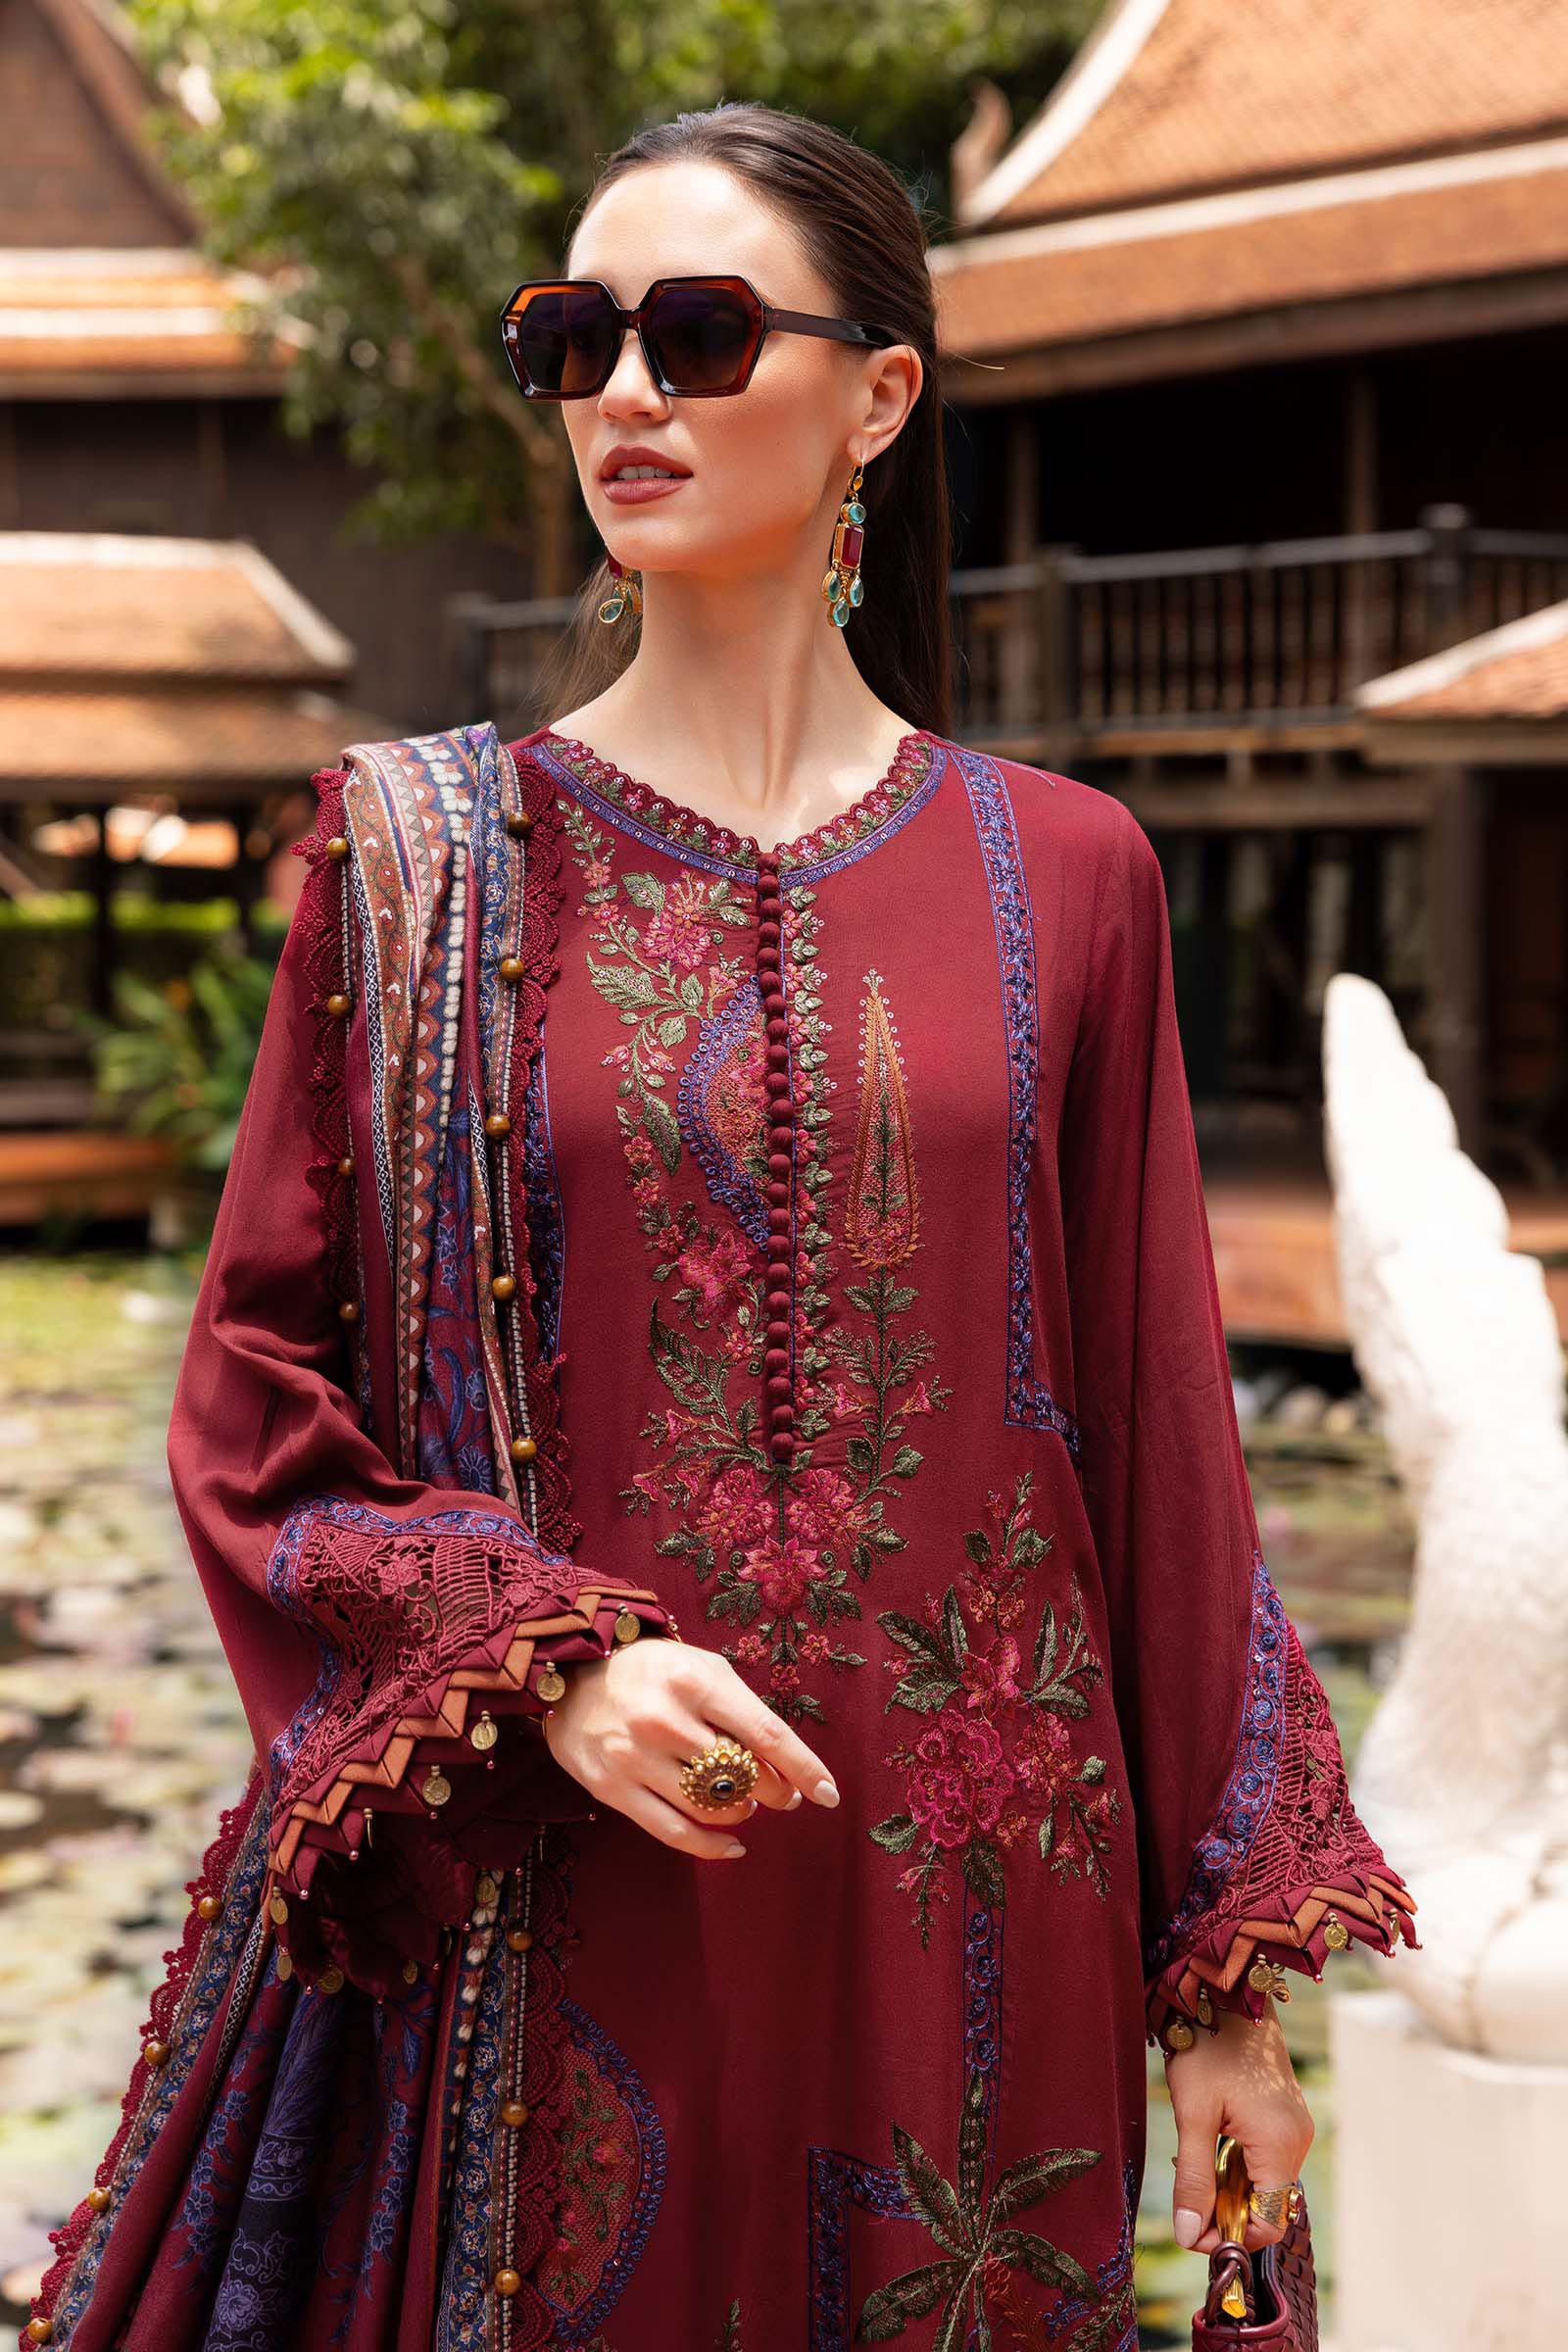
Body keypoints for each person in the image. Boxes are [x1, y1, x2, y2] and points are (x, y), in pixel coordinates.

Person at [24, 99, 1415, 2352]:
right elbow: (252, 1407)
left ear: (879, 392)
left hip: (986, 1910)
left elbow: (1165, 1458)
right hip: (576, 1897)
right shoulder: (417, 866)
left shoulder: (1069, 876)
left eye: (692, 333)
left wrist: (1222, 1988)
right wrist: (547, 1667)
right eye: (569, 341)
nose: (621, 394)